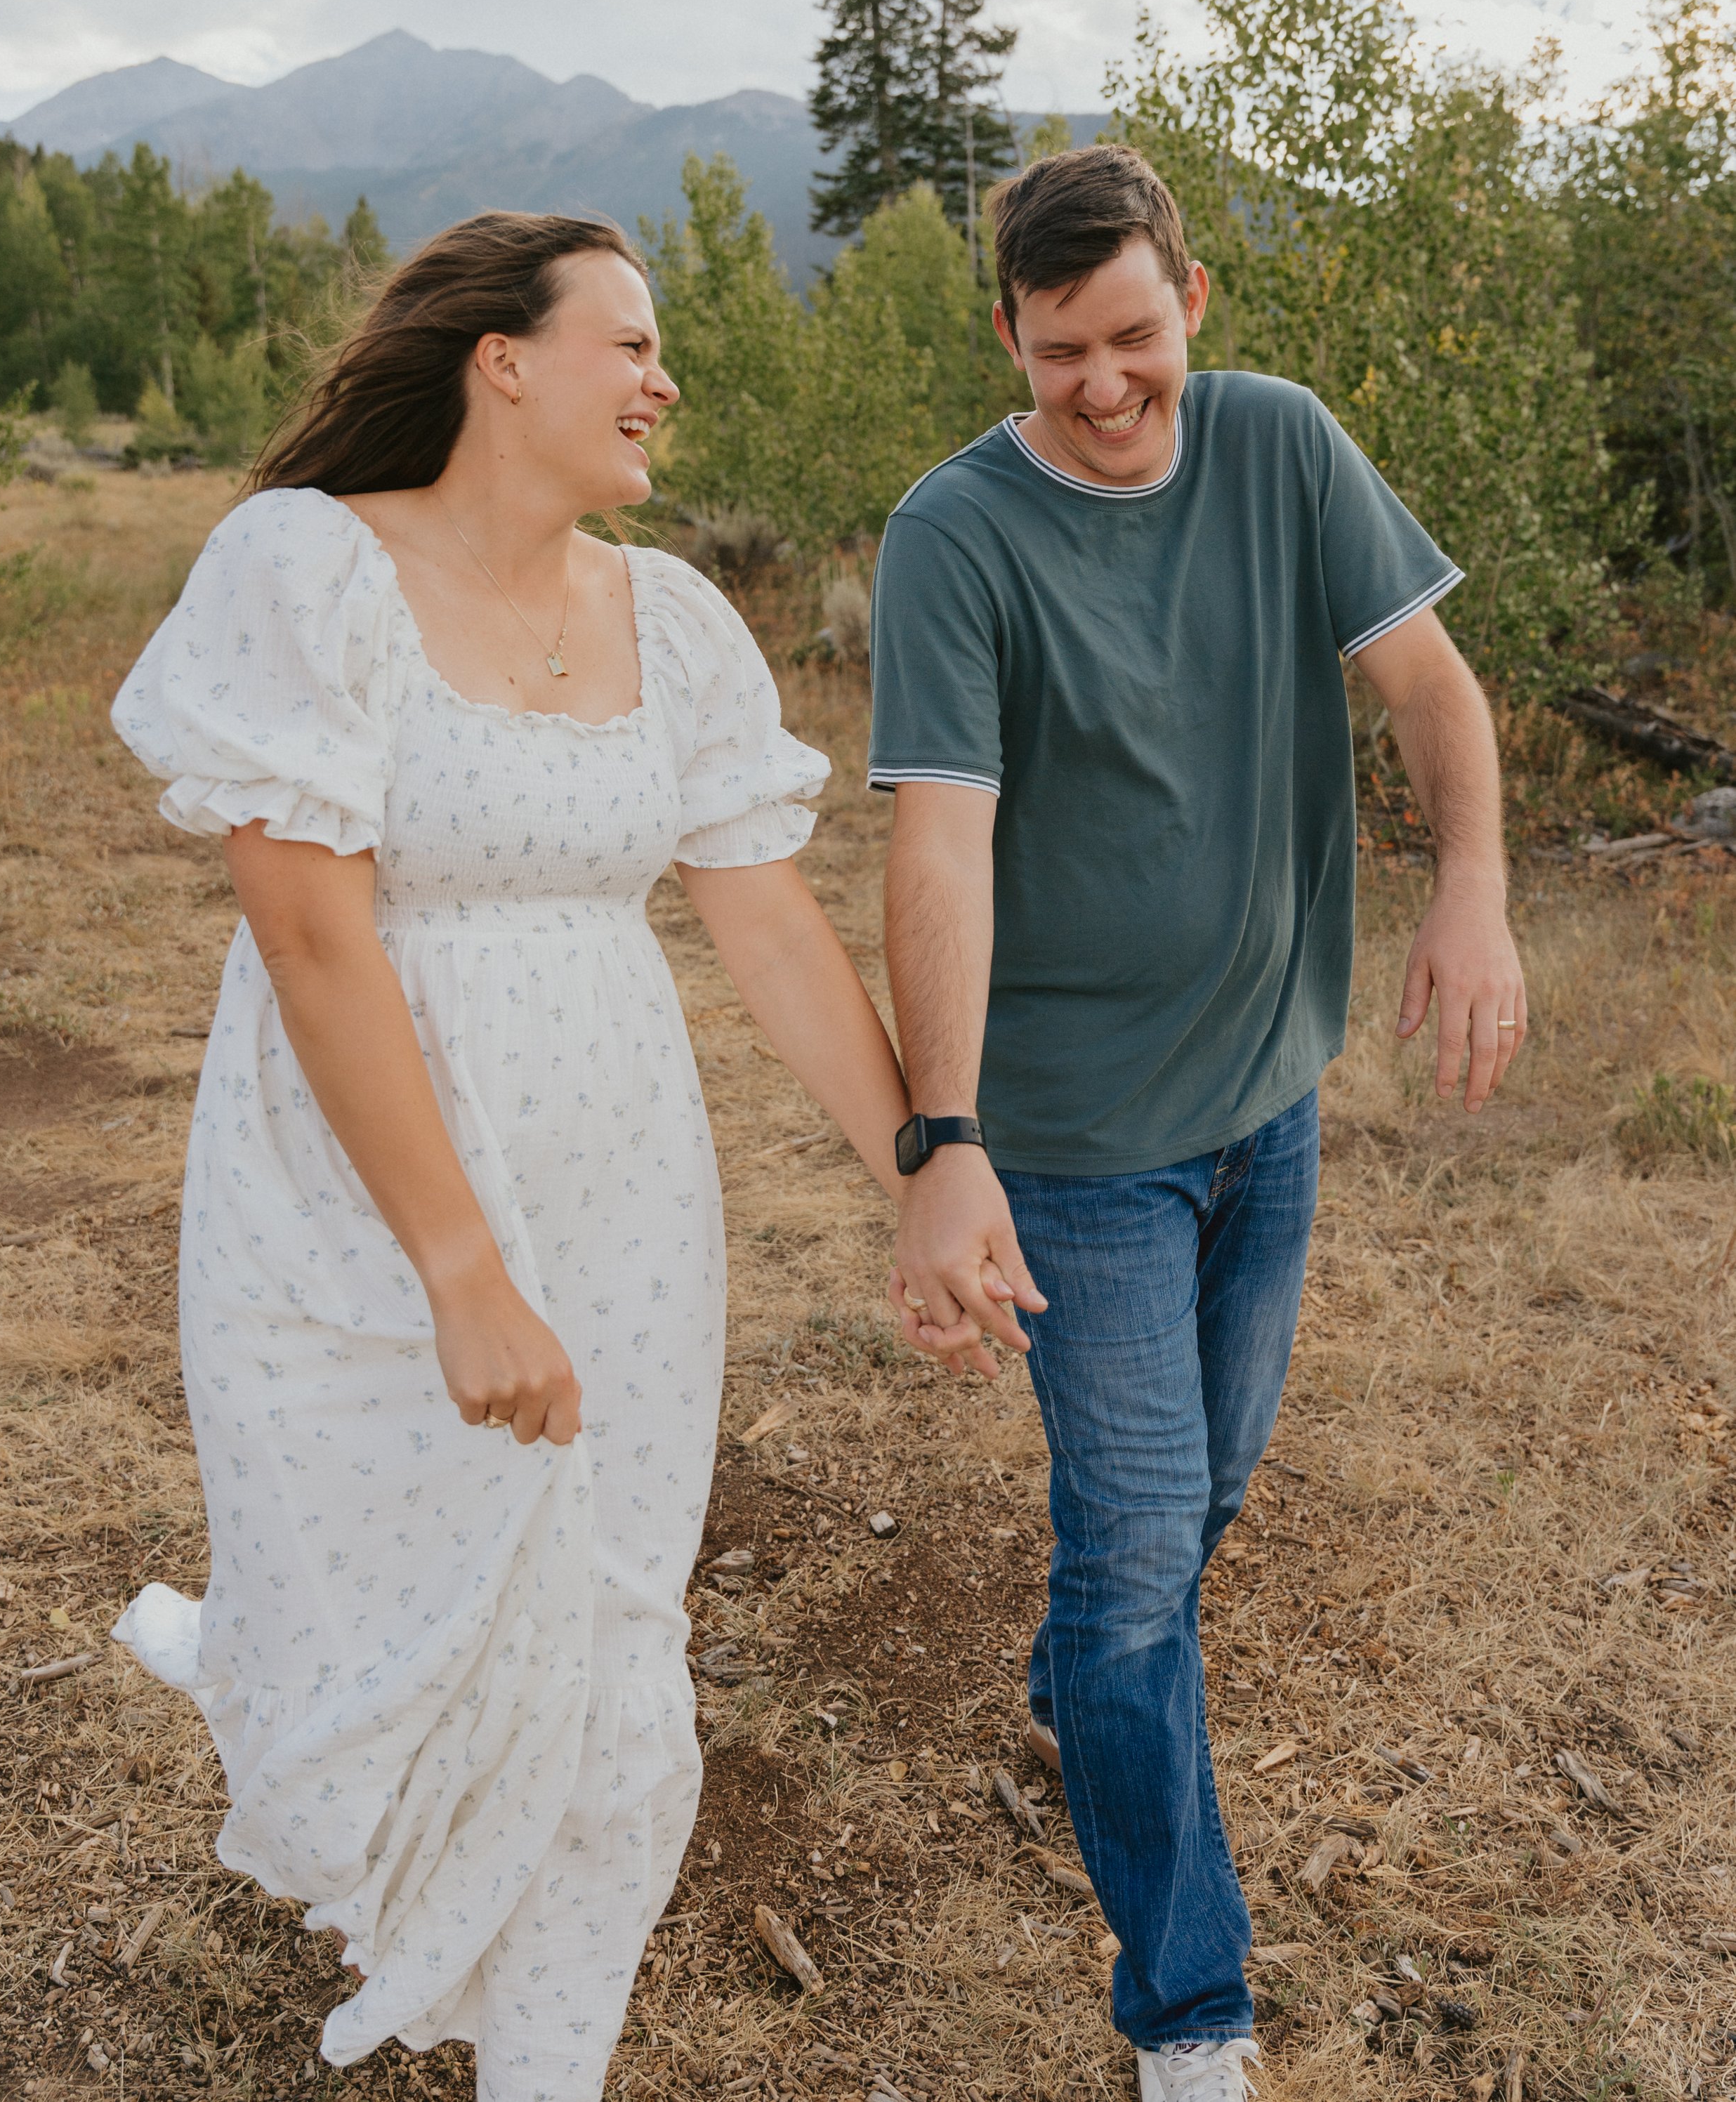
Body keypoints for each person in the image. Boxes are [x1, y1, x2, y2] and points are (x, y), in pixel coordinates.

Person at [108, 211, 909, 2096]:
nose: (664, 379)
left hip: (621, 1182)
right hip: (349, 1198)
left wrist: (922, 1167)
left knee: (607, 1636)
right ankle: (262, 1664)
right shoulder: (305, 569)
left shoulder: (675, 620)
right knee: (362, 1596)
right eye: (628, 342)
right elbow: (310, 932)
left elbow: (771, 924)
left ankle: (538, 2065)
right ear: (503, 361)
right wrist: (461, 1271)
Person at [867, 145, 1525, 2102]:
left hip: (1269, 1100)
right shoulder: (952, 534)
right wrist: (944, 1136)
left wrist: (1470, 884)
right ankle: (1190, 2014)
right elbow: (939, 846)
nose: (1101, 381)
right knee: (1143, 1560)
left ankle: (1088, 1693)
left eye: (1131, 335)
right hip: (1075, 1149)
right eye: (1059, 347)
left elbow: (1428, 689)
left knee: (1194, 1506)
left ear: (1192, 304)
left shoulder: (1278, 446)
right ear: (1008, 334)